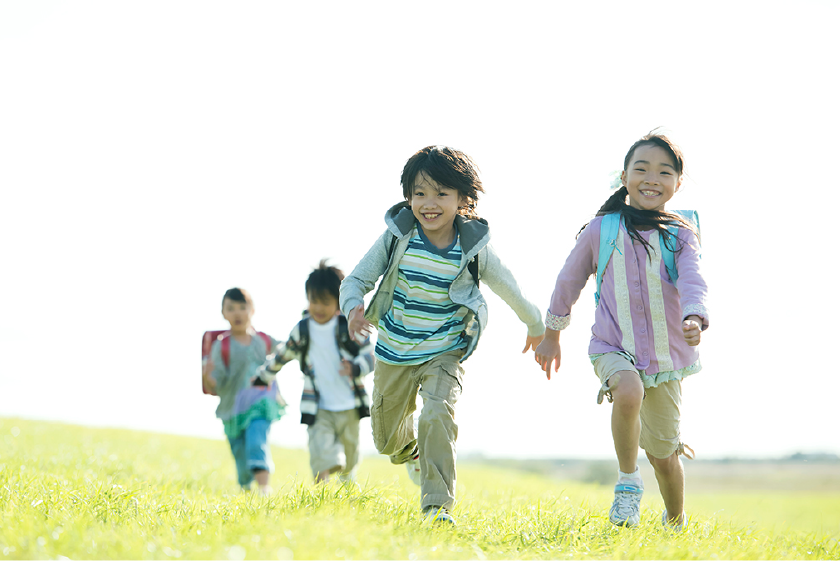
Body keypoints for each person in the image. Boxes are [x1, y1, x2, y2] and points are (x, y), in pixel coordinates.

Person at [339, 145, 545, 525]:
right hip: (394, 351)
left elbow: (508, 287)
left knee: (436, 412)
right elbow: (357, 279)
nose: (428, 203)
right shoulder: (397, 237)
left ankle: (436, 508)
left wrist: (537, 327)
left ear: (463, 200)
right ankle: (414, 453)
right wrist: (353, 307)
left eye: (441, 194)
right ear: (408, 197)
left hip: (445, 351)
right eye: (420, 193)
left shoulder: (473, 248)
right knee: (386, 441)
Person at [534, 132, 708, 531]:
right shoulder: (602, 229)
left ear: (677, 184)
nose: (652, 178)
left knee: (664, 456)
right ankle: (628, 485)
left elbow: (694, 281)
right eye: (642, 168)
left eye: (664, 171)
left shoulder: (680, 235)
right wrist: (553, 333)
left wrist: (695, 317)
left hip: (666, 357)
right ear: (625, 176)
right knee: (628, 390)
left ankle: (675, 522)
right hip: (612, 345)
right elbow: (568, 282)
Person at [255, 261, 375, 483]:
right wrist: (264, 376)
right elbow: (283, 355)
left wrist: (356, 367)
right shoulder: (303, 329)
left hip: (350, 405)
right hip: (318, 406)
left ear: (338, 302)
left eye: (325, 302)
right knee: (320, 451)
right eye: (313, 301)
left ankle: (348, 486)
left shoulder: (349, 326)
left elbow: (371, 355)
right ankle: (321, 494)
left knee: (350, 459)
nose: (318, 308)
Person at [203, 288, 285, 495]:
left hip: (260, 402)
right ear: (223, 313)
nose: (237, 313)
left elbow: (286, 350)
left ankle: (264, 487)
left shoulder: (263, 340)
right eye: (231, 309)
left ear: (252, 310)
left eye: (242, 307)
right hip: (233, 407)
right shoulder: (221, 347)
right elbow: (215, 383)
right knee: (240, 452)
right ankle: (246, 487)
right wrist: (207, 375)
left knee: (257, 441)